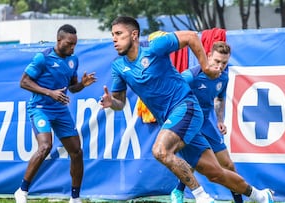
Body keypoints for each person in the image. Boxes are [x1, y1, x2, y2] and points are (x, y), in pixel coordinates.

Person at [99, 16, 274, 203]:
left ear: (134, 35)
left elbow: (191, 36)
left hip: (186, 106)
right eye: (112, 35)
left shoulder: (156, 47)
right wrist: (112, 103)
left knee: (160, 150)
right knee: (216, 173)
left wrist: (205, 67)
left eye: (119, 34)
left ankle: (202, 197)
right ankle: (261, 196)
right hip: (172, 120)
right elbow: (120, 102)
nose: (114, 39)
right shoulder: (118, 67)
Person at [14, 24, 97, 203]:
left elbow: (72, 88)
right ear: (59, 40)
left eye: (75, 44)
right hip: (40, 108)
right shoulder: (42, 58)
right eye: (69, 43)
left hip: (60, 111)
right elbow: (24, 82)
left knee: (77, 151)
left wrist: (82, 84)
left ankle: (75, 198)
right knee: (45, 147)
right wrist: (50, 93)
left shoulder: (73, 59)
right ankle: (22, 191)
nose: (72, 47)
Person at [170, 41, 243, 202]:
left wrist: (220, 120)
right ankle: (178, 192)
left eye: (224, 62)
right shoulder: (193, 74)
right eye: (217, 61)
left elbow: (220, 98)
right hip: (189, 121)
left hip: (207, 123)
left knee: (228, 165)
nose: (220, 66)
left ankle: (239, 201)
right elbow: (174, 88)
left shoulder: (224, 76)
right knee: (197, 161)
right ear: (208, 56)